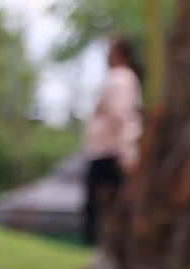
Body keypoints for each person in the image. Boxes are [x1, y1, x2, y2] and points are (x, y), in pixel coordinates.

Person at [82, 37, 143, 247]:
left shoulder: (121, 79)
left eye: (110, 51)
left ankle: (102, 245)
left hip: (112, 153)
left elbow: (122, 117)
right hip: (107, 151)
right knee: (104, 204)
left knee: (104, 205)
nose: (106, 56)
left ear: (120, 54)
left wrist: (126, 152)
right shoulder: (120, 79)